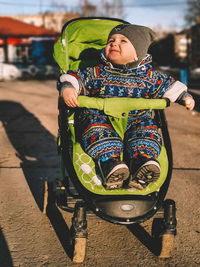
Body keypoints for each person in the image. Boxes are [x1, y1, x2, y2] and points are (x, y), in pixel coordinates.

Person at [57, 24, 195, 190]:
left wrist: (184, 97)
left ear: (137, 54)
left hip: (138, 120)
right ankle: (111, 165)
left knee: (147, 133)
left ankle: (143, 163)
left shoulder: (150, 77)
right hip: (102, 118)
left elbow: (169, 85)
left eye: (123, 41)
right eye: (111, 41)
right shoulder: (96, 73)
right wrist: (69, 87)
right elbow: (76, 78)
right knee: (97, 132)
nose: (114, 44)